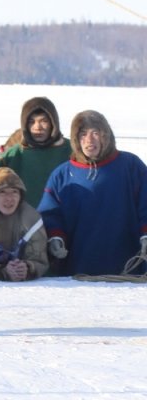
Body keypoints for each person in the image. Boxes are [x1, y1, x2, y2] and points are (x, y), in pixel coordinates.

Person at [39, 110, 147, 276]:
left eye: (95, 133)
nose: (89, 140)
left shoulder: (130, 166)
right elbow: (50, 212)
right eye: (83, 134)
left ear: (106, 136)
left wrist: (145, 234)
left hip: (128, 270)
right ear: (76, 139)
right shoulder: (62, 175)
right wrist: (55, 237)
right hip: (77, 272)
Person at [0, 96, 72, 207]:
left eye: (44, 121)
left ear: (53, 123)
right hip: (23, 221)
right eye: (32, 122)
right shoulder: (14, 155)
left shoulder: (71, 150)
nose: (38, 127)